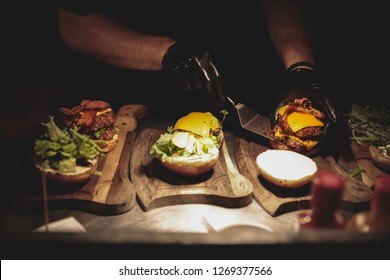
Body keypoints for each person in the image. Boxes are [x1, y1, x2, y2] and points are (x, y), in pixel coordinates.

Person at [55, 0, 337, 125]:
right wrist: (168, 53)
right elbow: (74, 24)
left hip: (238, 95)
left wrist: (301, 68)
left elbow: (280, 3)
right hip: (134, 100)